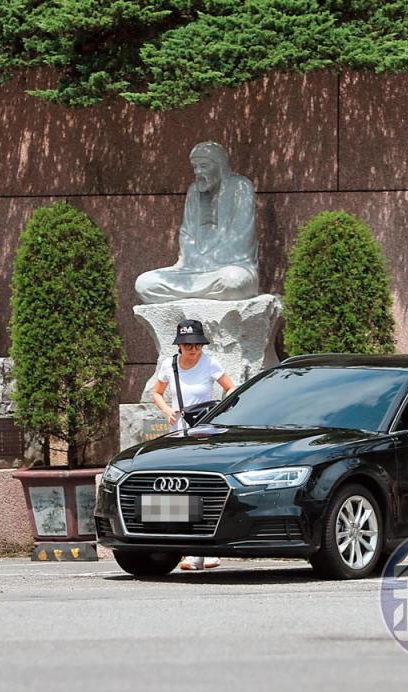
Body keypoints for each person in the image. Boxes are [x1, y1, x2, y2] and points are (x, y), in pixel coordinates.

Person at [152, 319, 235, 571]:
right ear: (180, 346)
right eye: (189, 345)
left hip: (205, 432)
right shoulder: (170, 366)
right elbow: (156, 392)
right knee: (181, 493)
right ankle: (191, 552)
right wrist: (167, 410)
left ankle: (208, 550)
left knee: (203, 490)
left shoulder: (210, 363)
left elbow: (231, 388)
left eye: (198, 345)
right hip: (179, 434)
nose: (194, 350)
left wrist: (219, 415)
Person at [135, 142, 259, 303]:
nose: (198, 172)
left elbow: (242, 238)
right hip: (191, 269)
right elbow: (186, 234)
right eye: (195, 167)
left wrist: (209, 260)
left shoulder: (241, 187)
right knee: (144, 283)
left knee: (235, 282)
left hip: (231, 266)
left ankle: (195, 295)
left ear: (219, 166)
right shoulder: (194, 191)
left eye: (204, 166)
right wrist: (193, 260)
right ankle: (201, 295)